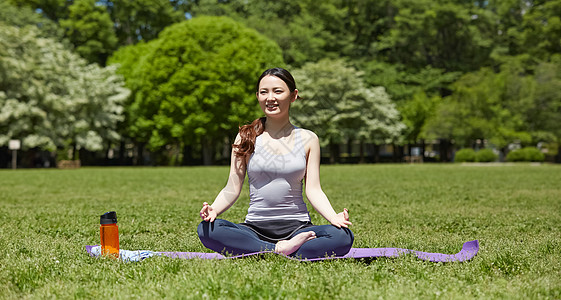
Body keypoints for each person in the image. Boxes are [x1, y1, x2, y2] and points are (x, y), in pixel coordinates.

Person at [197, 67, 354, 259]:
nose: (270, 98)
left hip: (298, 227)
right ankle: (279, 250)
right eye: (264, 92)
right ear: (257, 96)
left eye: (278, 91)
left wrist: (333, 217)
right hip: (254, 228)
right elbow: (232, 186)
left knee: (342, 237)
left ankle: (262, 250)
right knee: (208, 230)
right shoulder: (246, 137)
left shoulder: (308, 139)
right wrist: (214, 209)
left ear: (293, 95)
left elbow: (313, 189)